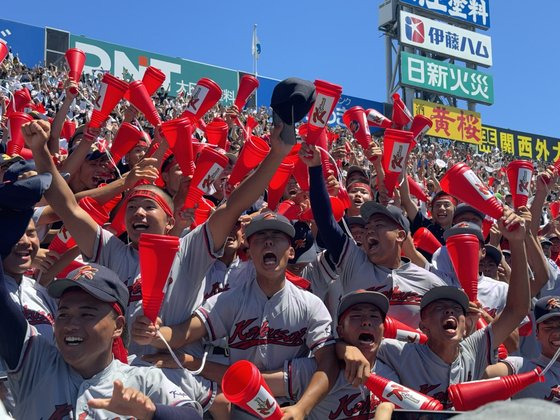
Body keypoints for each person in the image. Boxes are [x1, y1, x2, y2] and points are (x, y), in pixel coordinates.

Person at [134, 213, 339, 419]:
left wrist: (302, 407)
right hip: (242, 409)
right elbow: (182, 333)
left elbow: (329, 362)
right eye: (259, 238)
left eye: (277, 236)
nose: (268, 241)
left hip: (292, 407)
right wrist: (154, 333)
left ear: (291, 251)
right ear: (249, 252)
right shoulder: (230, 300)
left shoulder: (310, 304)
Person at [0, 261, 203, 419]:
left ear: (118, 326)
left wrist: (151, 413)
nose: (71, 324)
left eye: (87, 314)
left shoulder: (142, 380)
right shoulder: (35, 362)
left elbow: (192, 416)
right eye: (63, 314)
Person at [375, 208, 530, 407]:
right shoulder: (398, 352)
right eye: (439, 308)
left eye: (457, 309)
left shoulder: (474, 349)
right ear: (423, 326)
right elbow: (356, 344)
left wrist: (517, 242)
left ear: (466, 325)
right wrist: (346, 349)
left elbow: (517, 310)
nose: (450, 312)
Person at [301, 142, 446, 328]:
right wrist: (315, 168)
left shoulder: (426, 280)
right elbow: (325, 221)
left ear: (401, 235)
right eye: (368, 225)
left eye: (379, 225)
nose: (369, 230)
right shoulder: (355, 262)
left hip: (409, 356)